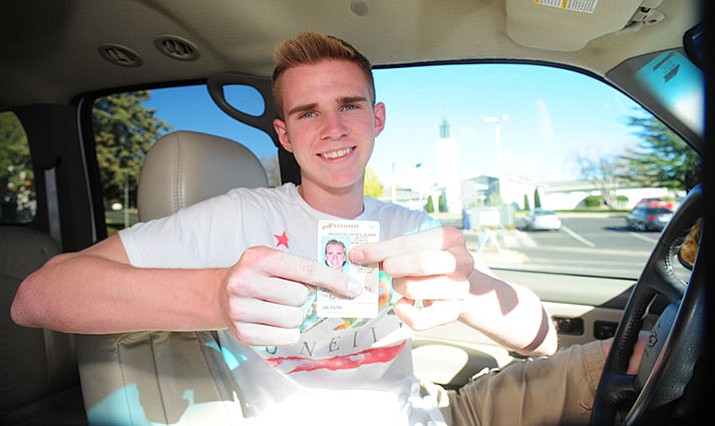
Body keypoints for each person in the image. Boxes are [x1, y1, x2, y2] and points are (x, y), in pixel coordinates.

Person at [11, 31, 643, 425]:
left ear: (378, 118)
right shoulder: (240, 217)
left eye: (349, 106)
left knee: (637, 359)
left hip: (437, 413)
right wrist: (214, 296)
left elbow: (538, 338)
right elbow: (37, 296)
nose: (332, 129)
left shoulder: (409, 224)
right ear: (284, 136)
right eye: (307, 113)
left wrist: (471, 289)